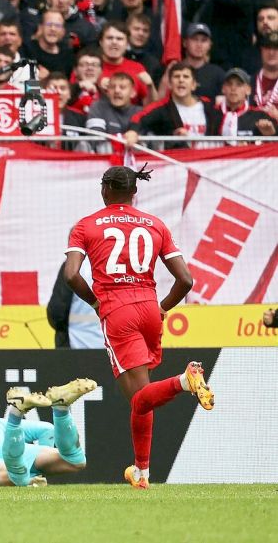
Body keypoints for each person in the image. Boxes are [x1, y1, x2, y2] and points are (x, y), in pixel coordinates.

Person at [63, 164, 214, 489]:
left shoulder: (85, 225)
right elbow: (186, 280)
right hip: (149, 307)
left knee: (140, 398)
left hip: (117, 310)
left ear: (104, 190)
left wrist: (95, 303)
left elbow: (72, 274)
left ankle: (183, 382)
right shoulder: (155, 224)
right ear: (134, 192)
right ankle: (142, 473)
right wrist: (162, 308)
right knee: (143, 397)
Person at [125, 62, 222, 150]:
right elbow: (138, 118)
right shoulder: (162, 107)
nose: (181, 80)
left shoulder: (210, 106)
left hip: (209, 163)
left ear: (193, 85)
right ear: (170, 84)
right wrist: (133, 131)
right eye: (176, 76)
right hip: (176, 164)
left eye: (186, 76)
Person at [86, 71, 141, 152]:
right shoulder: (98, 107)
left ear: (133, 93)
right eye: (112, 87)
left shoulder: (140, 112)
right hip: (103, 158)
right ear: (107, 91)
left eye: (122, 87)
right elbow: (95, 138)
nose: (117, 91)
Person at [217, 67, 277, 142]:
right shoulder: (212, 113)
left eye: (239, 84)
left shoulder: (260, 116)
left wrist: (271, 136)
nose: (233, 88)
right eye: (229, 84)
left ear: (248, 90)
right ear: (223, 88)